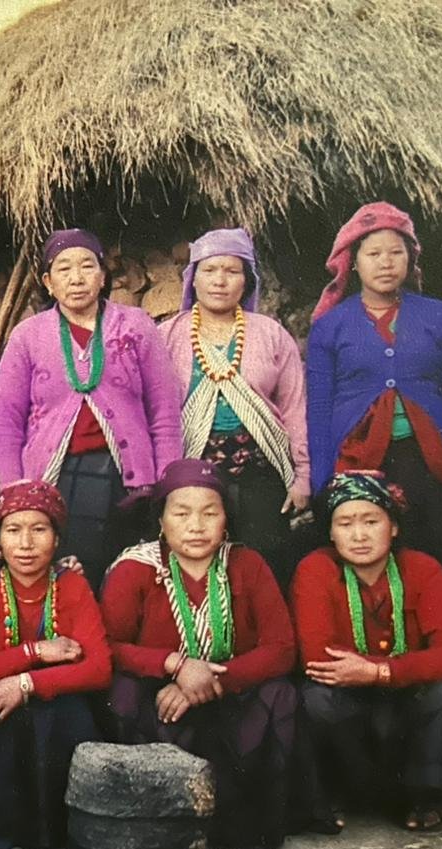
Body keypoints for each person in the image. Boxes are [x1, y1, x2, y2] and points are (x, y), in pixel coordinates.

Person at [101, 459, 299, 849]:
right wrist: (174, 666)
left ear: (226, 519)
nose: (196, 525)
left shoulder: (246, 564)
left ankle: (255, 822)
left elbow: (281, 648)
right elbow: (109, 645)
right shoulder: (135, 569)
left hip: (228, 688)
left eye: (210, 513)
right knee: (123, 694)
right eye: (182, 513)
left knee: (282, 695)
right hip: (161, 696)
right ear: (161, 519)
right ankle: (153, 816)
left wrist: (210, 683)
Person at [0, 229, 182, 591]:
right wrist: (15, 491)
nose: (76, 278)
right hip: (57, 478)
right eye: (63, 269)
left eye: (86, 266)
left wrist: (167, 480)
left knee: (129, 575)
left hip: (129, 479)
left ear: (102, 275)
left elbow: (164, 411)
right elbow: (6, 421)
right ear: (48, 282)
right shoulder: (28, 335)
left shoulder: (136, 325)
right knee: (73, 577)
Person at [292, 470, 442, 831]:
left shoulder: (422, 569)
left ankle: (420, 797)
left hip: (409, 697)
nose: (359, 535)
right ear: (330, 532)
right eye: (345, 523)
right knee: (316, 701)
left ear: (393, 526)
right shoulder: (315, 569)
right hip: (352, 702)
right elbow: (320, 658)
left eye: (371, 521)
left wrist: (380, 672)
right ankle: (355, 794)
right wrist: (403, 667)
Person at [306, 203, 442, 577]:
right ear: (354, 262)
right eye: (374, 254)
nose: (385, 262)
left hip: (428, 459)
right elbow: (318, 411)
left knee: (439, 551)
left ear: (410, 258)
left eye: (396, 252)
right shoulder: (330, 325)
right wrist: (322, 483)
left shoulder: (436, 315)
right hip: (357, 460)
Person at [0, 479, 110, 849]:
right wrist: (36, 653)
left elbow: (99, 668)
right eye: (13, 530)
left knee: (69, 714)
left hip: (57, 699)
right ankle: (0, 833)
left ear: (57, 539)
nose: (26, 544)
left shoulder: (71, 585)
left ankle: (62, 836)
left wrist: (25, 684)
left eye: (39, 530)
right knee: (2, 718)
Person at [159, 228, 309, 585]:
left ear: (247, 281)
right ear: (192, 280)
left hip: (262, 471)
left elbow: (294, 407)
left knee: (265, 567)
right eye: (209, 271)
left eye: (232, 271)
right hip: (194, 474)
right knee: (200, 568)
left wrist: (302, 475)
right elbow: (156, 413)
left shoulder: (271, 334)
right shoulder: (167, 336)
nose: (220, 281)